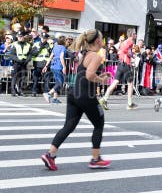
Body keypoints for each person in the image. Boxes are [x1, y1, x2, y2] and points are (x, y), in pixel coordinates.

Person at [40, 29, 112, 171]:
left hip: (74, 94)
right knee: (99, 124)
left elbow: (84, 72)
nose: (103, 40)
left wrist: (101, 75)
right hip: (86, 95)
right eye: (102, 38)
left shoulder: (84, 54)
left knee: (68, 126)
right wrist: (101, 79)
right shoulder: (96, 56)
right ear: (98, 41)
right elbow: (90, 75)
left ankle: (50, 155)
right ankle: (95, 159)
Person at [100, 28, 138, 110]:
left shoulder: (124, 42)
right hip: (125, 64)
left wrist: (129, 54)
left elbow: (119, 51)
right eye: (135, 33)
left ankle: (104, 99)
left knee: (115, 82)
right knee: (130, 83)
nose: (136, 34)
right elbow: (124, 50)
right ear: (132, 34)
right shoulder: (130, 41)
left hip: (120, 64)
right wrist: (132, 55)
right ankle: (129, 103)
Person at [44, 35, 67, 104]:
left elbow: (51, 57)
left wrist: (46, 65)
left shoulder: (55, 47)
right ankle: (48, 94)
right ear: (63, 41)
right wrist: (64, 67)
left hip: (53, 66)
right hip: (58, 66)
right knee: (60, 83)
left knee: (57, 82)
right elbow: (61, 57)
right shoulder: (63, 48)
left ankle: (55, 98)